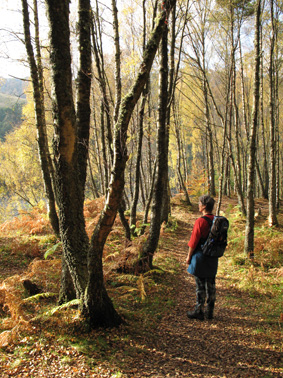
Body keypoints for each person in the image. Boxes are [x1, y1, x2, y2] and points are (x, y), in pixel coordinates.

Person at [185, 195, 218, 320]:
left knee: (200, 286)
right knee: (211, 285)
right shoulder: (217, 220)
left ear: (204, 206)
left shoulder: (201, 221)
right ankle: (210, 312)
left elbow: (193, 242)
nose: (198, 205)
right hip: (213, 258)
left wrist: (188, 257)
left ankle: (199, 311)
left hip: (200, 257)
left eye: (199, 203)